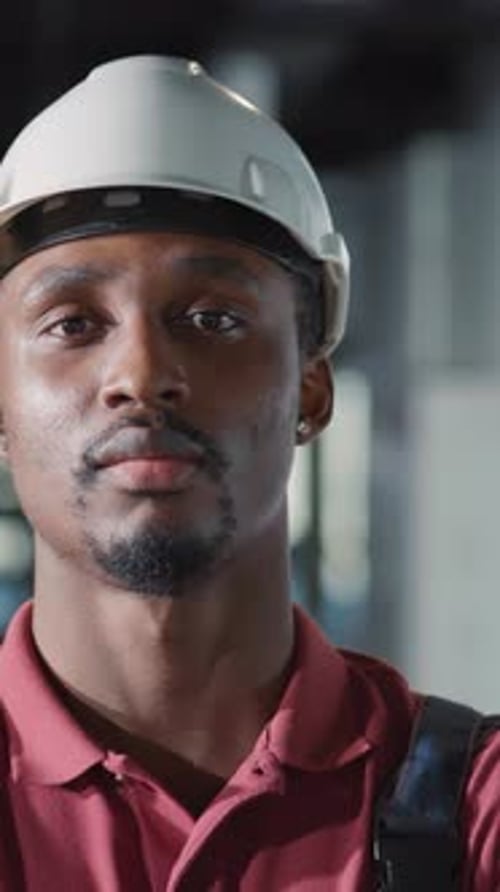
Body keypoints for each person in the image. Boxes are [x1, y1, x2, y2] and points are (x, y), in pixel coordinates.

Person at [0, 55, 497, 892]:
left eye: (213, 318)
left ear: (311, 388)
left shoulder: (476, 812)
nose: (143, 371)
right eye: (74, 322)